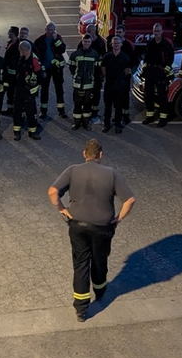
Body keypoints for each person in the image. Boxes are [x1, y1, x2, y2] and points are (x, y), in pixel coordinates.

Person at [48, 138, 136, 322]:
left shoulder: (72, 170)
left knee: (80, 263)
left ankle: (81, 308)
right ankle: (100, 290)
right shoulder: (111, 174)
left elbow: (52, 192)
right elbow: (130, 200)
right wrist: (118, 218)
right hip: (102, 227)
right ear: (101, 155)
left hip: (77, 224)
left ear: (84, 154)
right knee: (99, 259)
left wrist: (63, 210)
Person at [141, 23, 174, 128]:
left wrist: (166, 70)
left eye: (158, 31)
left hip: (161, 72)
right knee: (149, 94)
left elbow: (170, 59)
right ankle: (150, 116)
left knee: (161, 95)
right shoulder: (150, 43)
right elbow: (146, 58)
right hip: (151, 71)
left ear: (162, 31)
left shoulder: (166, 44)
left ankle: (163, 118)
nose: (156, 33)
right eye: (155, 31)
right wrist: (144, 69)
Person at [33, 22, 67, 119]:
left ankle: (61, 111)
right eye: (49, 30)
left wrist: (56, 40)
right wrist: (40, 66)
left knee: (59, 89)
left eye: (52, 30)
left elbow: (62, 50)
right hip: (45, 68)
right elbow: (35, 55)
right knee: (44, 90)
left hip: (56, 69)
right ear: (45, 29)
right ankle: (43, 111)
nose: (51, 32)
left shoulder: (58, 38)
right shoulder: (39, 40)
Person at [68, 33, 101, 131]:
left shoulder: (95, 54)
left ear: (91, 42)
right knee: (77, 104)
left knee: (87, 104)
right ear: (82, 41)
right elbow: (71, 68)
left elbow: (97, 69)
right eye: (85, 41)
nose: (86, 43)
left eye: (88, 42)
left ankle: (86, 123)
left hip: (89, 84)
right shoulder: (75, 54)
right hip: (77, 84)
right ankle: (77, 123)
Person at [12, 40, 43, 141]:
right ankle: (17, 131)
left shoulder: (34, 61)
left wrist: (32, 88)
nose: (20, 52)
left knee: (30, 111)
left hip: (30, 91)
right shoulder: (22, 59)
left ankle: (32, 131)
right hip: (20, 89)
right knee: (17, 110)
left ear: (24, 50)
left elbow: (40, 77)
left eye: (21, 50)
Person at [100, 37, 131, 134]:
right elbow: (103, 68)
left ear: (121, 44)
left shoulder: (125, 57)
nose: (116, 44)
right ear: (111, 44)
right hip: (109, 84)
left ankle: (118, 124)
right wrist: (109, 77)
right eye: (114, 43)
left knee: (118, 106)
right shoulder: (107, 57)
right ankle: (106, 124)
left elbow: (127, 71)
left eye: (118, 43)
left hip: (120, 85)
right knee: (107, 106)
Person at [2, 26, 21, 115]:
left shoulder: (18, 45)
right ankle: (10, 109)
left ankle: (17, 110)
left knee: (15, 93)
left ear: (13, 33)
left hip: (15, 74)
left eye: (9, 32)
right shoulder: (10, 43)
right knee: (9, 92)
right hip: (9, 74)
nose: (8, 33)